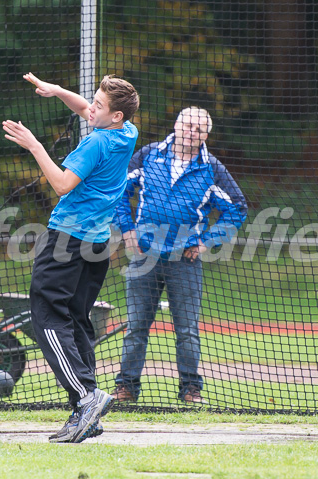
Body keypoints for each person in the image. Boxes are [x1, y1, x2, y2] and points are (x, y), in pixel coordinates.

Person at [3, 72, 140, 442]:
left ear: (116, 116)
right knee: (77, 320)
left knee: (47, 316)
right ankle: (87, 412)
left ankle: (86, 396)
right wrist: (59, 91)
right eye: (92, 100)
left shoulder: (96, 142)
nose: (90, 107)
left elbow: (62, 184)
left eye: (99, 105)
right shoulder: (127, 133)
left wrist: (34, 145)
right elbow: (88, 110)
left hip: (67, 239)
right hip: (97, 244)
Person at [111, 107, 248, 404]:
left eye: (199, 129)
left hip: (185, 261)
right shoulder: (148, 155)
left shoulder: (211, 168)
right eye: (187, 125)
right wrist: (127, 231)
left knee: (187, 330)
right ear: (176, 125)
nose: (191, 132)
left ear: (205, 135)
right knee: (136, 327)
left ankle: (190, 389)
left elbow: (237, 208)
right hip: (144, 256)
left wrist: (207, 241)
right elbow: (118, 190)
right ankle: (126, 388)